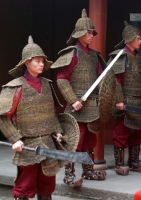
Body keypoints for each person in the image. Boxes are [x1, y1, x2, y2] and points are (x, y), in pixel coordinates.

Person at [0, 36, 64, 200]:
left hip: (48, 143)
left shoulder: (47, 85)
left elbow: (51, 113)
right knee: (25, 186)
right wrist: (15, 139)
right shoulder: (15, 87)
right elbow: (2, 117)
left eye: (42, 61)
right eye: (37, 61)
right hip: (28, 144)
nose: (41, 64)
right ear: (27, 63)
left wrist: (58, 132)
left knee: (47, 184)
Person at [51, 8, 106, 187]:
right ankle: (70, 174)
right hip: (77, 105)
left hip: (91, 105)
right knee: (75, 138)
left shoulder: (95, 56)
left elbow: (101, 81)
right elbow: (61, 80)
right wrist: (73, 99)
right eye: (88, 32)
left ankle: (88, 170)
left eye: (92, 32)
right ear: (79, 33)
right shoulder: (72, 53)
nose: (91, 35)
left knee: (90, 139)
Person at [107, 21, 141, 175]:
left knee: (137, 133)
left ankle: (134, 162)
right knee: (122, 132)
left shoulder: (139, 56)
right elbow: (115, 81)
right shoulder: (121, 56)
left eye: (140, 38)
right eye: (138, 38)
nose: (140, 41)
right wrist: (119, 100)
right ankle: (120, 164)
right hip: (125, 101)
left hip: (139, 100)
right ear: (130, 38)